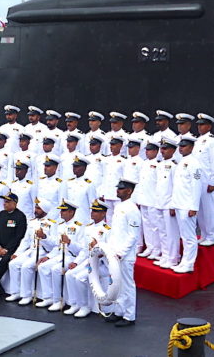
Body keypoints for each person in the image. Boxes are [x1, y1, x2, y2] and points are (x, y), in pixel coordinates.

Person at [103, 179, 142, 327]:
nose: (117, 191)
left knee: (127, 285)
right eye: (118, 188)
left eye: (121, 189)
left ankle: (129, 316)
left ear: (129, 191)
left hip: (125, 255)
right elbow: (116, 232)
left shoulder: (132, 209)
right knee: (117, 284)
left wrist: (122, 252)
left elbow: (133, 235)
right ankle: (119, 311)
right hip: (115, 252)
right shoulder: (119, 207)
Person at [36, 199, 86, 311]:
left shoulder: (79, 227)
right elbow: (56, 244)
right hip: (59, 255)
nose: (61, 212)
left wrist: (70, 242)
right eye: (61, 210)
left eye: (63, 210)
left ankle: (61, 301)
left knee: (56, 269)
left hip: (72, 256)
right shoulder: (60, 225)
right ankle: (48, 297)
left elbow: (81, 249)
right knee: (43, 266)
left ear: (71, 212)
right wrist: (45, 239)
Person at [63, 199, 110, 318]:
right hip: (88, 261)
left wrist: (98, 249)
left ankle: (85, 306)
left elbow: (109, 251)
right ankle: (75, 304)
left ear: (103, 213)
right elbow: (84, 250)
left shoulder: (107, 230)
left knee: (80, 278)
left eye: (96, 211)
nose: (92, 213)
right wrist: (76, 262)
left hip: (101, 263)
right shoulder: (88, 228)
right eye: (92, 210)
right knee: (69, 274)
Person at [6, 198, 58, 305]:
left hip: (43, 251)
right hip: (31, 250)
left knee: (26, 266)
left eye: (38, 208)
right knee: (13, 264)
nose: (36, 210)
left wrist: (44, 237)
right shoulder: (32, 222)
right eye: (36, 207)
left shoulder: (52, 224)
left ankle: (27, 295)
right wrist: (17, 253)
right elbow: (25, 240)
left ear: (44, 210)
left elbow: (54, 244)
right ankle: (15, 292)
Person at [0, 192, 27, 298]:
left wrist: (7, 249)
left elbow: (19, 236)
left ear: (14, 203)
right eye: (4, 202)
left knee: (3, 262)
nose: (4, 204)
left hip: (12, 249)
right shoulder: (1, 214)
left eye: (7, 202)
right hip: (0, 247)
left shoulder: (20, 216)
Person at [170, 134, 203, 274]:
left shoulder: (194, 164)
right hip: (179, 204)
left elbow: (197, 186)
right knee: (184, 236)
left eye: (184, 146)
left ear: (191, 147)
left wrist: (194, 207)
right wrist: (173, 205)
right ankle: (184, 262)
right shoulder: (181, 162)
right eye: (180, 146)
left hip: (187, 206)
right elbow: (177, 186)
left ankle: (189, 264)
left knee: (189, 237)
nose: (181, 148)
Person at [193, 113, 214, 246]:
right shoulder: (197, 140)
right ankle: (204, 234)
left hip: (207, 179)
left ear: (209, 126)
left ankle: (212, 236)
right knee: (200, 209)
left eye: (203, 125)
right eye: (199, 125)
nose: (200, 127)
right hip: (197, 179)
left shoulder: (212, 141)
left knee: (208, 209)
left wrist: (213, 181)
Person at [154, 138, 179, 269]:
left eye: (165, 148)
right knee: (162, 232)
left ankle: (173, 258)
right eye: (161, 148)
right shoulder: (159, 165)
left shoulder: (175, 166)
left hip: (169, 204)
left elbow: (176, 187)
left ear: (173, 150)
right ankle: (165, 255)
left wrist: (173, 205)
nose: (162, 151)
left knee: (171, 233)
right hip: (159, 202)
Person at [135, 140, 162, 259]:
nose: (147, 152)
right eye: (146, 150)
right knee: (146, 225)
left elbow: (160, 184)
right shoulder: (144, 163)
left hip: (153, 199)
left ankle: (157, 249)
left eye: (150, 150)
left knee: (155, 226)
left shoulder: (159, 164)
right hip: (144, 198)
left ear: (156, 151)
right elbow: (140, 182)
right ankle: (150, 247)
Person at [63, 154, 97, 223]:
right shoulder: (69, 182)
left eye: (77, 166)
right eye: (74, 166)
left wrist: (91, 222)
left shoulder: (89, 184)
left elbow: (93, 204)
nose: (74, 168)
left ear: (84, 168)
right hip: (70, 219)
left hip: (83, 219)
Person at [99, 136, 126, 220]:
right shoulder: (106, 159)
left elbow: (125, 179)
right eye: (111, 144)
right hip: (107, 193)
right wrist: (102, 192)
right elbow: (103, 177)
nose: (111, 146)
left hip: (118, 194)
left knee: (119, 216)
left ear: (120, 146)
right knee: (108, 217)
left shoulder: (124, 161)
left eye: (114, 145)